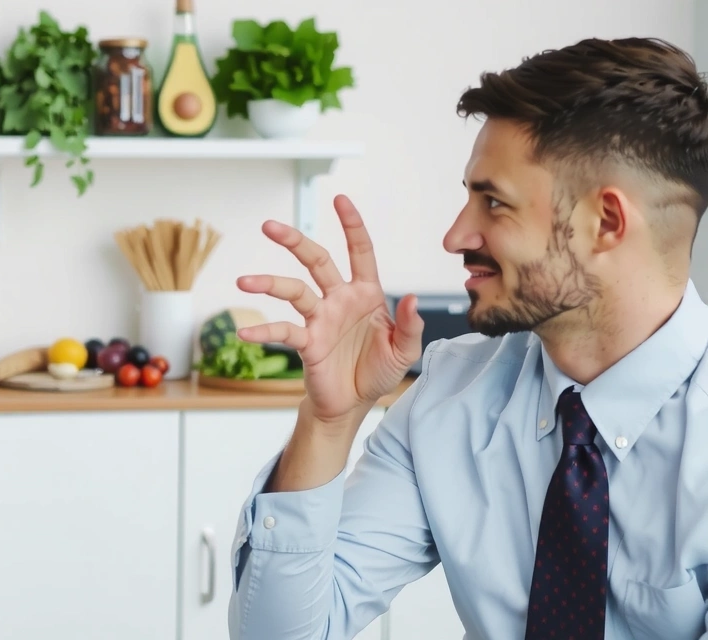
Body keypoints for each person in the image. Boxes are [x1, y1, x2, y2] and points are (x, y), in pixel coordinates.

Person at [226, 36, 708, 640]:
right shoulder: (450, 394)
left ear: (606, 222)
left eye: (494, 203)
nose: (455, 237)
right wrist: (328, 423)